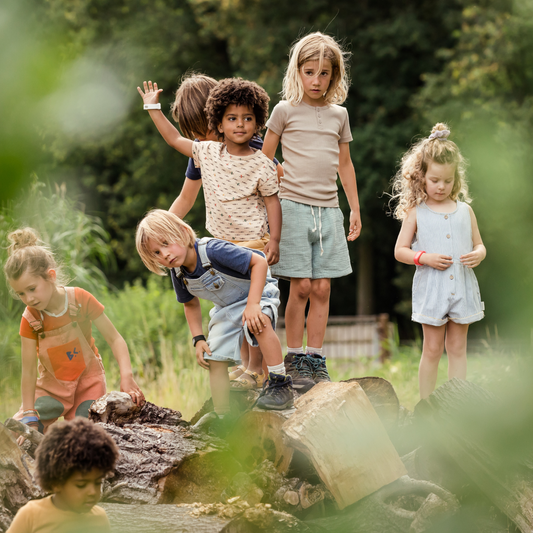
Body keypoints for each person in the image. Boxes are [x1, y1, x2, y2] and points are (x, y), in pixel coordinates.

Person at [137, 77, 305, 391]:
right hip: (225, 242)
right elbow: (186, 198)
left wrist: (279, 234)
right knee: (231, 305)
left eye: (204, 130)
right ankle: (248, 367)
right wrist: (160, 234)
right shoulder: (204, 153)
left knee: (254, 305)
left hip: (257, 241)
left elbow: (279, 181)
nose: (200, 139)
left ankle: (260, 369)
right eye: (194, 135)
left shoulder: (251, 147)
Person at [262, 32, 361, 386]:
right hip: (292, 207)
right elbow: (264, 158)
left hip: (329, 209)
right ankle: (294, 357)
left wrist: (354, 208)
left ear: (334, 76)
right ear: (297, 72)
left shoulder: (340, 115)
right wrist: (272, 180)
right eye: (309, 72)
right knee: (300, 286)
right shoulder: (284, 110)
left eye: (324, 74)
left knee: (322, 289)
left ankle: (316, 359)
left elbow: (345, 165)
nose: (316, 81)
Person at [135, 209, 294, 429]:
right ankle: (223, 418)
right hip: (226, 308)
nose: (165, 255)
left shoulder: (213, 250)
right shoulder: (178, 272)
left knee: (258, 323)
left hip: (256, 292)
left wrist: (253, 304)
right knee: (214, 357)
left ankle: (280, 384)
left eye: (166, 243)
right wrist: (198, 338)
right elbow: (190, 304)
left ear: (182, 231)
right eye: (157, 253)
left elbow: (259, 263)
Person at [4, 228, 144, 437]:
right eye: (21, 293)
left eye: (32, 289)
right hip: (52, 388)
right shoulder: (30, 318)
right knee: (17, 432)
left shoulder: (80, 300)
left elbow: (115, 339)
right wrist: (29, 413)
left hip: (88, 384)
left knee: (83, 437)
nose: (28, 298)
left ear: (50, 276)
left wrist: (127, 376)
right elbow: (29, 370)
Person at [392, 123, 486, 399]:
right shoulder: (416, 213)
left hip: (462, 288)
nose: (441, 186)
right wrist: (425, 257)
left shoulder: (465, 211)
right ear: (422, 177)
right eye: (435, 180)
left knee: (457, 349)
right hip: (432, 289)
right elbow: (400, 250)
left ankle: (457, 405)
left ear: (455, 178)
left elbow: (480, 244)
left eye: (447, 180)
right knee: (432, 350)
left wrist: (478, 254)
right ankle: (425, 405)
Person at [7, 417, 118, 533]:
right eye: (81, 485)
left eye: (97, 483)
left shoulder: (99, 518)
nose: (92, 492)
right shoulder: (31, 515)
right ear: (55, 482)